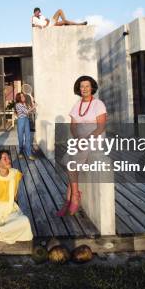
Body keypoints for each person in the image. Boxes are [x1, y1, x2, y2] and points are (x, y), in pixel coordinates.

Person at [57, 75, 107, 216]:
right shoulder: (77, 105)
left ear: (92, 88)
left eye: (87, 86)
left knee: (72, 163)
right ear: (79, 89)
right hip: (80, 139)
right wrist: (78, 137)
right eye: (82, 86)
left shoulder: (98, 104)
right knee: (69, 161)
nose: (84, 89)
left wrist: (87, 138)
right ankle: (72, 195)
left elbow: (101, 126)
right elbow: (73, 126)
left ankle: (73, 198)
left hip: (95, 138)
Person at [14, 92, 36, 160]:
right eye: (22, 97)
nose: (24, 97)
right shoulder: (18, 105)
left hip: (26, 120)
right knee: (21, 138)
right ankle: (20, 152)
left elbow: (32, 110)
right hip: (21, 121)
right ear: (19, 98)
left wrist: (32, 101)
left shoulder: (25, 104)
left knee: (28, 137)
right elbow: (27, 111)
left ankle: (29, 154)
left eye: (23, 96)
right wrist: (34, 107)